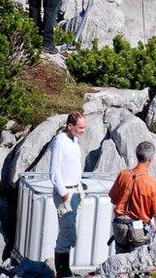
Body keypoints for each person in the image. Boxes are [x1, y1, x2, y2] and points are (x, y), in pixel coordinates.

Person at [109, 141, 156, 254]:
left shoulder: (123, 175)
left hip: (119, 225)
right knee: (137, 263)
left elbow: (113, 199)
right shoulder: (152, 183)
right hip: (138, 228)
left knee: (120, 260)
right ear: (150, 159)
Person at [49, 111, 86, 278]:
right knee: (66, 231)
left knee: (68, 232)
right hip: (66, 193)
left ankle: (65, 269)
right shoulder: (60, 141)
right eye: (80, 127)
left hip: (74, 191)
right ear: (70, 126)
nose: (83, 130)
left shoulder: (74, 139)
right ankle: (62, 271)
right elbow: (54, 171)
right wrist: (64, 194)